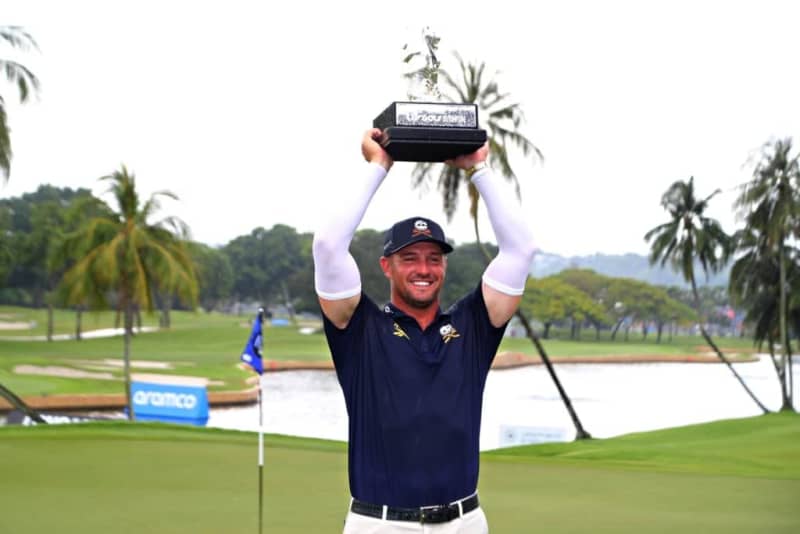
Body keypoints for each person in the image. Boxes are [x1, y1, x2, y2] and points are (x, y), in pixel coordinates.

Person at [312, 128, 536, 533]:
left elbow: (521, 250)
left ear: (444, 266)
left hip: (464, 521)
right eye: (410, 258)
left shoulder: (474, 324)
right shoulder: (359, 327)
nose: (423, 269)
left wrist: (479, 167)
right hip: (380, 524)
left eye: (434, 258)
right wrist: (378, 166)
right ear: (387, 266)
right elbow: (329, 245)